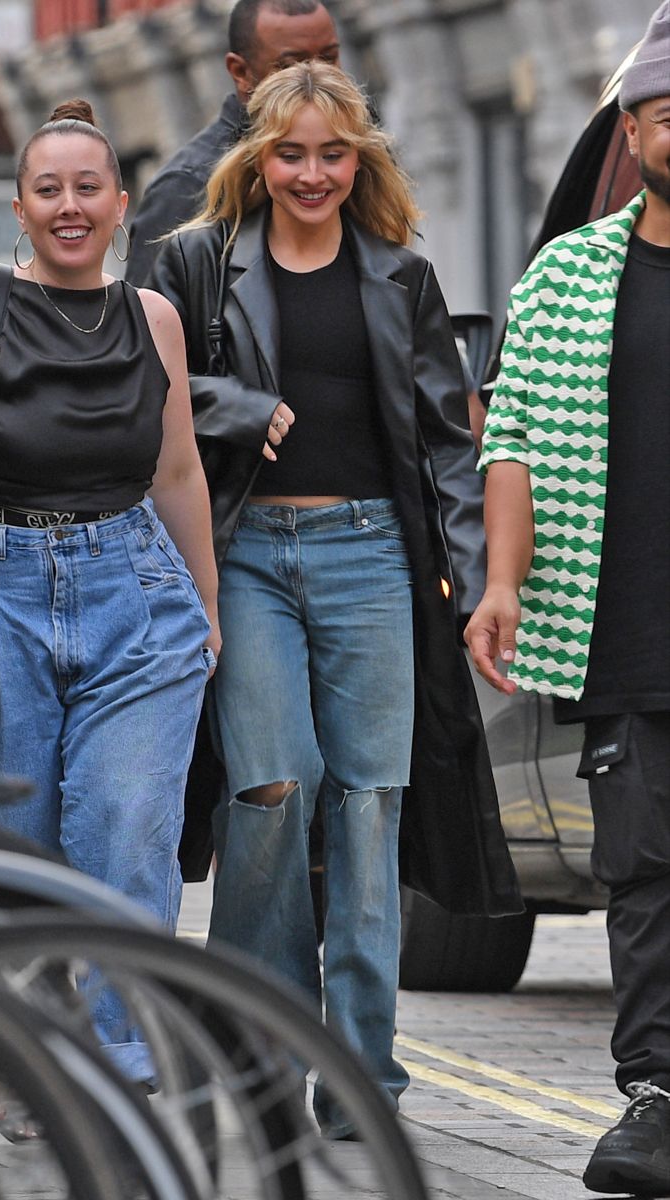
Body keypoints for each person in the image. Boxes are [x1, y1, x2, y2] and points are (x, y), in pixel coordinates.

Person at [149, 58, 520, 1139]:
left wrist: (469, 588)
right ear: (256, 158)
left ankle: (362, 1076)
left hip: (372, 561)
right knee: (271, 791)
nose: (311, 173)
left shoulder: (399, 275)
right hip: (249, 553)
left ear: (360, 159)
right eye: (290, 153)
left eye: (332, 152)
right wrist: (230, 401)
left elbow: (451, 449)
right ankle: (257, 1047)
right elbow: (150, 381)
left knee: (369, 811)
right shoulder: (195, 264)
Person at [0, 99, 221, 1098]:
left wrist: (203, 605)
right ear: (21, 209)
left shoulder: (153, 318)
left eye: (87, 189)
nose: (69, 207)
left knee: (126, 824)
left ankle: (120, 1072)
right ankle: (27, 1068)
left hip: (137, 593)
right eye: (47, 190)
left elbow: (180, 469)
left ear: (120, 205)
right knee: (14, 851)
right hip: (2, 589)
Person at [465, 3, 670, 1194]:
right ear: (631, 131)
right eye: (659, 113)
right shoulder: (571, 271)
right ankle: (653, 1093)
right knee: (642, 869)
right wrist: (497, 585)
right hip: (626, 614)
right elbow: (518, 446)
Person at [125, 0, 340, 286]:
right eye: (291, 66)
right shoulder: (188, 186)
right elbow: (146, 322)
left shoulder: (359, 161)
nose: (317, 79)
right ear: (240, 72)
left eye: (329, 59)